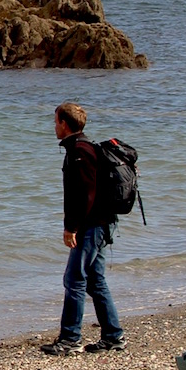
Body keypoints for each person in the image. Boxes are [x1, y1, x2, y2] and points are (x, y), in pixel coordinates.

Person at [43, 102, 125, 355]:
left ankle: (71, 339)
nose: (54, 126)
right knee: (95, 281)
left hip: (92, 226)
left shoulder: (80, 151)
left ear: (65, 124)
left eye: (56, 121)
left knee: (75, 279)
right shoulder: (80, 148)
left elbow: (85, 195)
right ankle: (113, 336)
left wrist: (72, 228)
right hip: (100, 223)